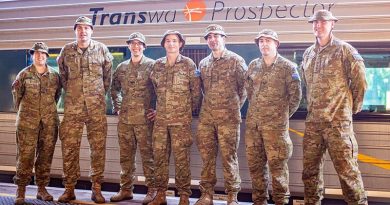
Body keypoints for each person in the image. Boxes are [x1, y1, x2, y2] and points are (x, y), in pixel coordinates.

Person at [301, 10, 368, 205]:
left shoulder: (344, 50)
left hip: (338, 123)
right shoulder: (308, 53)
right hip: (314, 124)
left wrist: (352, 108)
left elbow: (360, 82)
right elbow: (306, 85)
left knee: (347, 172)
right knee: (310, 172)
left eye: (323, 22)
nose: (318, 25)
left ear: (332, 24)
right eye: (315, 22)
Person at [56, 16, 113, 204]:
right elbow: (63, 78)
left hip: (96, 108)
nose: (83, 31)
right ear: (75, 31)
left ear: (92, 31)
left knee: (98, 149)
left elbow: (107, 79)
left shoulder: (102, 50)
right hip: (73, 108)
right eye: (79, 28)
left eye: (86, 28)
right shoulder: (66, 51)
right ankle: (69, 189)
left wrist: (96, 95)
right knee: (69, 148)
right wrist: (74, 94)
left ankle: (96, 189)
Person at [245, 29, 302, 205]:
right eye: (261, 41)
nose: (264, 44)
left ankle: (281, 201)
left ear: (276, 43)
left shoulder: (288, 67)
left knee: (278, 170)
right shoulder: (253, 65)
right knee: (255, 168)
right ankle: (259, 201)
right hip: (254, 128)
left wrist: (280, 116)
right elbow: (249, 92)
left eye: (268, 40)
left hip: (276, 130)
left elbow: (296, 97)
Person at [195, 24, 247, 205]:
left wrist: (232, 108)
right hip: (207, 119)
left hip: (229, 120)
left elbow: (244, 89)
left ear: (224, 38)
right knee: (207, 159)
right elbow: (201, 90)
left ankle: (232, 196)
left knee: (229, 158)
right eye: (209, 37)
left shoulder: (236, 61)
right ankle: (206, 195)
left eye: (216, 36)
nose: (213, 39)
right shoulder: (203, 63)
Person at [148, 30, 201, 205]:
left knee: (182, 159)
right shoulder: (157, 65)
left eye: (174, 41)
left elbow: (196, 94)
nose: (171, 44)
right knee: (160, 158)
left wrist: (185, 111)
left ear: (180, 44)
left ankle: (184, 195)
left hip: (181, 122)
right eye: (168, 41)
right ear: (164, 44)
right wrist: (158, 110)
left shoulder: (188, 64)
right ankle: (161, 194)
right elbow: (154, 91)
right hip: (161, 122)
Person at [110, 32, 157, 204]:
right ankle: (126, 189)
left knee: (148, 156)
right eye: (133, 43)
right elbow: (114, 89)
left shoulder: (153, 66)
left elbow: (162, 90)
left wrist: (158, 109)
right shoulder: (121, 67)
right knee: (126, 157)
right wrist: (118, 106)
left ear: (144, 47)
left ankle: (152, 190)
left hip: (145, 121)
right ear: (129, 46)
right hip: (126, 121)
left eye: (139, 44)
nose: (136, 46)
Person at [11, 42, 61, 205]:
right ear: (32, 55)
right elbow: (17, 99)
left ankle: (42, 189)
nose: (39, 56)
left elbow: (57, 97)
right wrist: (27, 114)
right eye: (36, 53)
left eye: (43, 54)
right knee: (25, 157)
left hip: (48, 122)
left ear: (47, 56)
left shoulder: (55, 76)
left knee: (45, 156)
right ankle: (21, 191)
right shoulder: (23, 75)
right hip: (27, 122)